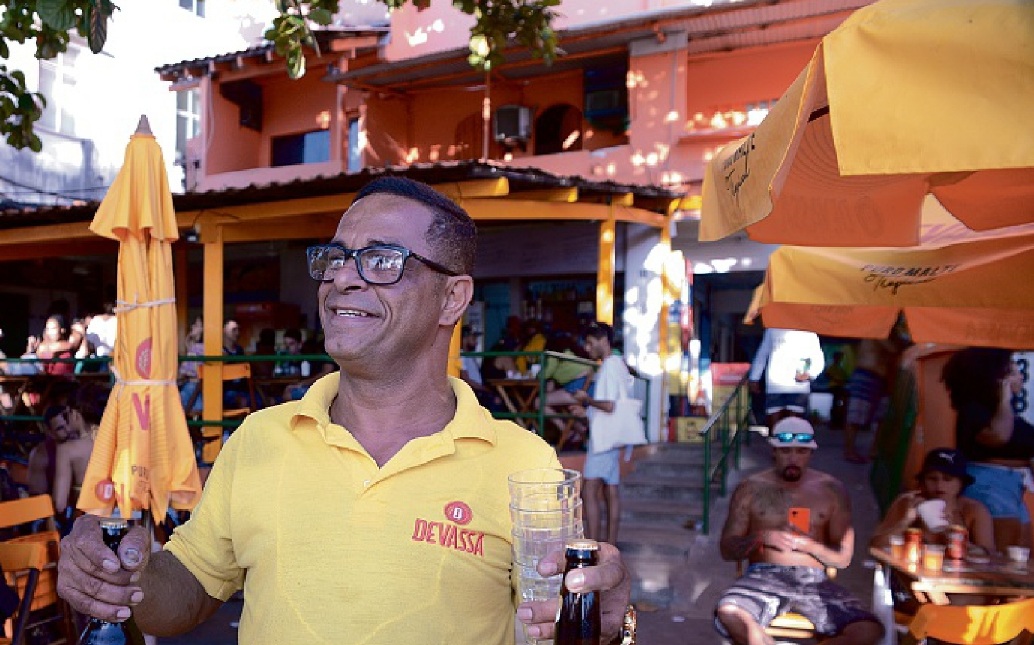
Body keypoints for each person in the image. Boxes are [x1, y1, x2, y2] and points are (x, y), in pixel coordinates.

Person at [57, 176, 632, 644]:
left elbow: (555, 619)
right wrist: (121, 572)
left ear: (452, 298)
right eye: (336, 258)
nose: (341, 278)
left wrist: (606, 625)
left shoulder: (524, 464)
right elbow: (188, 589)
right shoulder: (260, 438)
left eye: (381, 260)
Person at [714, 416, 882, 645]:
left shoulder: (832, 490)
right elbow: (727, 549)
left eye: (801, 451)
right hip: (763, 576)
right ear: (774, 451)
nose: (793, 458)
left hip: (814, 581)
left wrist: (810, 546)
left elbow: (842, 559)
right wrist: (762, 537)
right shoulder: (750, 489)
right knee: (729, 613)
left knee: (868, 630)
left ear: (810, 453)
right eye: (786, 451)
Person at [942, 347, 1032, 550]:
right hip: (989, 484)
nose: (1020, 376)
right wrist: (1005, 398)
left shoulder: (1006, 413)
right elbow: (997, 437)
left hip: (1013, 485)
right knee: (1002, 553)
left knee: (1022, 553)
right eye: (1012, 371)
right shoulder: (975, 409)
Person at [870, 447, 994, 553]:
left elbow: (988, 555)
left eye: (948, 479)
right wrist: (906, 521)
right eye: (932, 479)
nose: (939, 486)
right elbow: (876, 546)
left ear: (961, 483)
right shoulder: (908, 502)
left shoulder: (973, 510)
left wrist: (954, 536)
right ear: (923, 481)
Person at [572, 322, 631, 545]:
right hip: (613, 435)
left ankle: (592, 546)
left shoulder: (609, 367)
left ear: (602, 340)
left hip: (604, 438)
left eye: (589, 343)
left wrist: (586, 399)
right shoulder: (618, 364)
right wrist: (587, 411)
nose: (587, 348)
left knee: (589, 491)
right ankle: (609, 544)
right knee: (610, 490)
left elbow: (609, 405)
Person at [42, 381, 108, 533]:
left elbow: (60, 504)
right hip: (121, 521)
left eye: (67, 414)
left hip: (86, 525)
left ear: (76, 414)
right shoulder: (119, 442)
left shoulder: (67, 449)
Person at [842, 326, 910, 464]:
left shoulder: (891, 333)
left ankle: (874, 450)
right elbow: (893, 349)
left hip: (882, 379)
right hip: (867, 374)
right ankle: (849, 451)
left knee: (882, 416)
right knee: (856, 414)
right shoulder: (876, 329)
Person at [748, 327, 825, 430]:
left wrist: (810, 374)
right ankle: (776, 440)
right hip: (775, 383)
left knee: (794, 425)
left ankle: (790, 440)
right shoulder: (772, 329)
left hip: (798, 386)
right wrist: (754, 378)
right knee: (774, 425)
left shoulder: (809, 331)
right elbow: (762, 354)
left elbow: (818, 357)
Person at [458, 324, 505, 413]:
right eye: (473, 338)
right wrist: (485, 389)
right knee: (496, 401)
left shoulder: (470, 355)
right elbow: (466, 379)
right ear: (465, 338)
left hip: (479, 390)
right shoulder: (461, 355)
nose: (476, 341)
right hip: (473, 392)